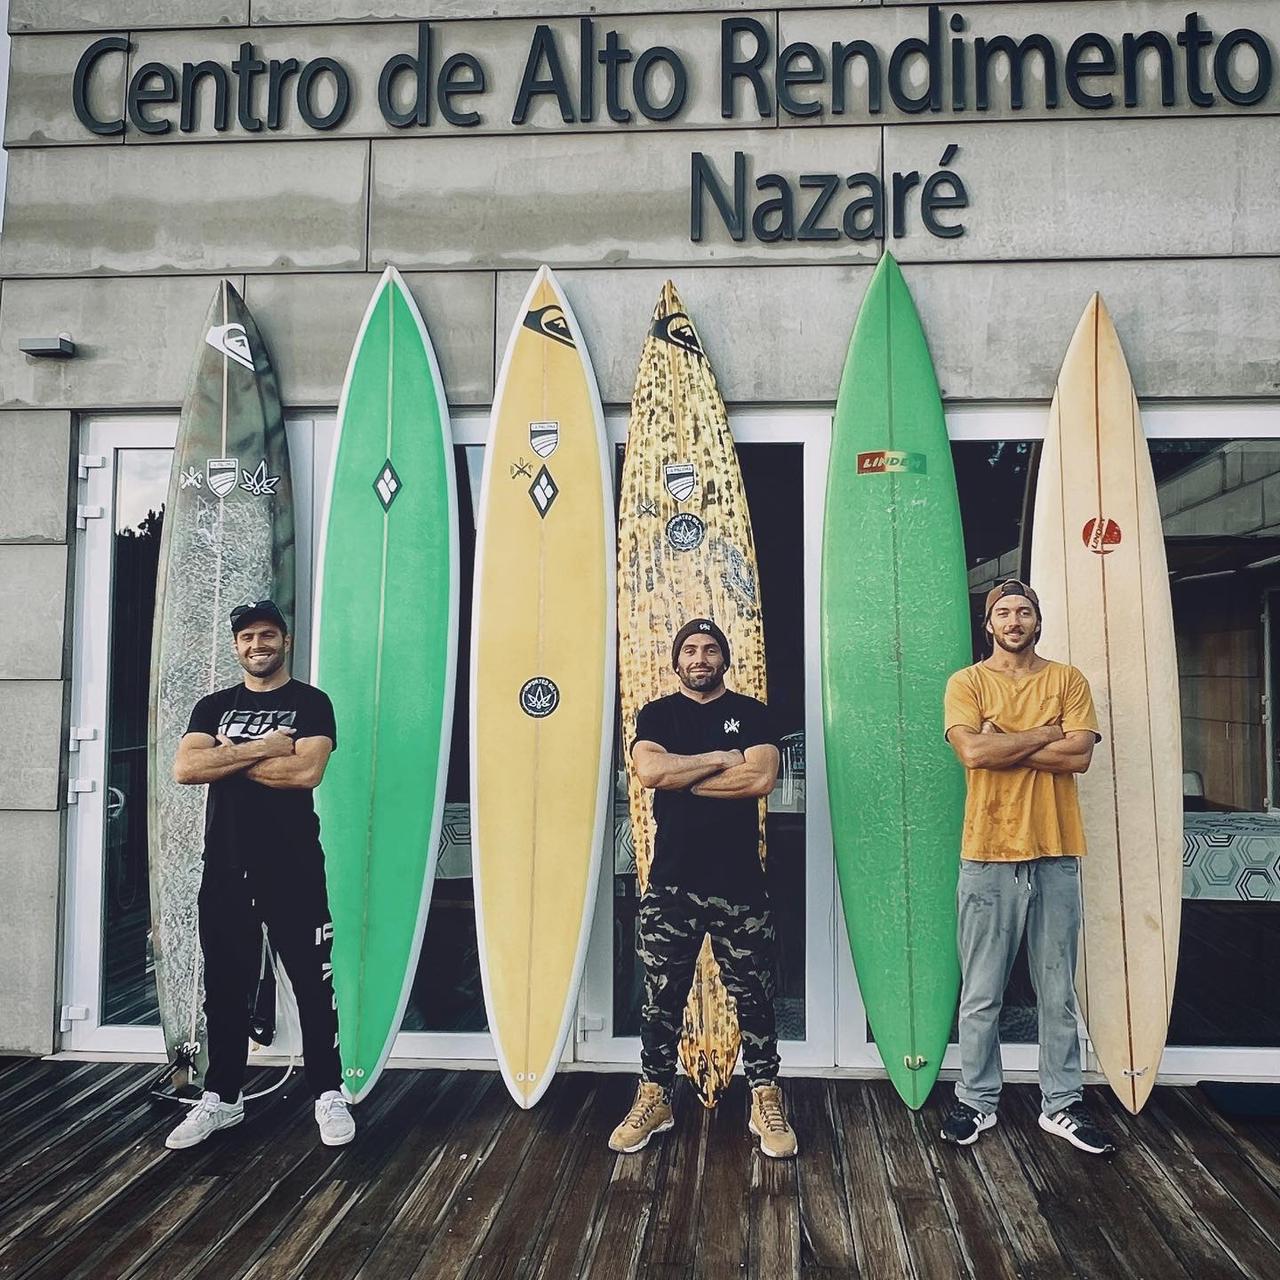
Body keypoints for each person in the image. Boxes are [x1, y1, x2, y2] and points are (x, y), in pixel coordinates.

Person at [164, 600, 354, 1151]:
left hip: (293, 867)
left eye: (267, 635)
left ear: (285, 641)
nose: (257, 646)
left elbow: (305, 772)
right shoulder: (212, 705)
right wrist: (268, 747)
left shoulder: (311, 703)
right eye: (247, 638)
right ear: (236, 646)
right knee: (225, 990)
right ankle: (222, 1099)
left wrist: (233, 755)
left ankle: (328, 1092)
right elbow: (187, 768)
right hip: (224, 867)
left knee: (314, 987)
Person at [609, 618, 797, 1159]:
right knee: (661, 1002)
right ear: (677, 661)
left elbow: (760, 779)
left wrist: (683, 775)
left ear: (724, 659)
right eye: (690, 649)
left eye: (710, 649)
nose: (699, 657)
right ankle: (655, 1096)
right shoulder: (658, 714)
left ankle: (765, 1096)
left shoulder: (754, 714)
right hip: (672, 884)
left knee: (755, 999)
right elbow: (649, 773)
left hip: (740, 885)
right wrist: (718, 759)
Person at [940, 580, 1116, 1156]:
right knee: (982, 992)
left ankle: (1062, 1106)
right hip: (987, 852)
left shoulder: (1067, 680)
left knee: (1057, 991)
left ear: (1037, 621)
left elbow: (1081, 755)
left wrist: (1009, 740)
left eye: (1024, 612)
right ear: (989, 625)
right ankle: (976, 1100)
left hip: (1056, 852)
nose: (1013, 621)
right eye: (1003, 613)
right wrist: (1047, 736)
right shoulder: (967, 683)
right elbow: (972, 752)